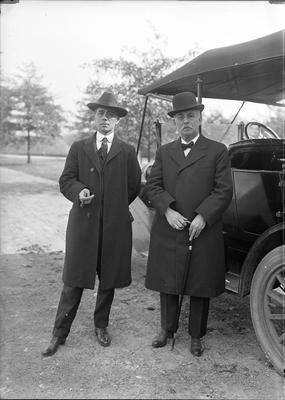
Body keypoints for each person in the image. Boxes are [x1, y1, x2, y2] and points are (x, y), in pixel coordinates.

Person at [42, 91, 141, 357]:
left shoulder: (128, 152)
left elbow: (133, 187)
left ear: (118, 120)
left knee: (108, 280)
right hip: (83, 227)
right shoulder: (79, 147)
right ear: (94, 117)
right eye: (100, 113)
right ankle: (59, 334)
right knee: (73, 281)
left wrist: (114, 208)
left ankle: (101, 326)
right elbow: (66, 181)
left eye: (111, 115)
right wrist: (80, 191)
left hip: (114, 228)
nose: (105, 118)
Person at [144, 92, 233, 357]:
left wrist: (204, 215)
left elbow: (223, 190)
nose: (186, 121)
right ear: (174, 121)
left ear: (199, 118)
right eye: (181, 117)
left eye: (191, 116)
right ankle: (166, 330)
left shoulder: (217, 151)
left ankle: (197, 336)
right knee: (168, 280)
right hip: (170, 226)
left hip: (201, 228)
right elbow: (153, 186)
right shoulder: (164, 151)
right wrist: (167, 210)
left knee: (199, 283)